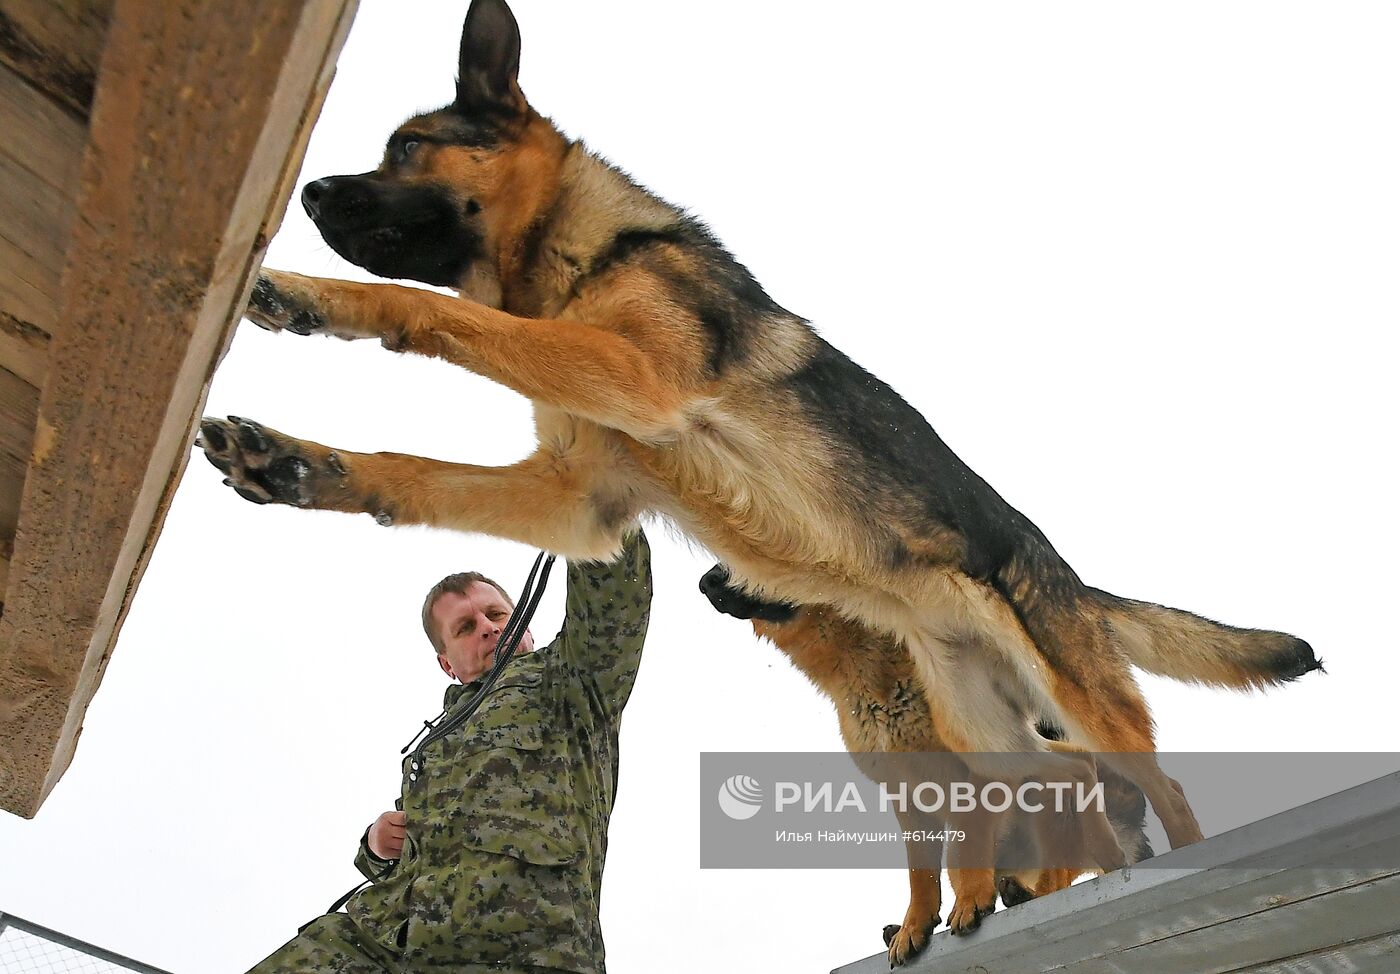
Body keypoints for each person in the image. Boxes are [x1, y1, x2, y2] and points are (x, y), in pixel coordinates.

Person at [247, 529, 652, 974]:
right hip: (384, 940)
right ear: (447, 663)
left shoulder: (569, 684)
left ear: (525, 625)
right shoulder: (436, 744)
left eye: (496, 613)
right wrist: (376, 845)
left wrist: (592, 510)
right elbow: (411, 849)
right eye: (465, 627)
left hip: (521, 946)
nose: (488, 627)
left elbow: (612, 606)